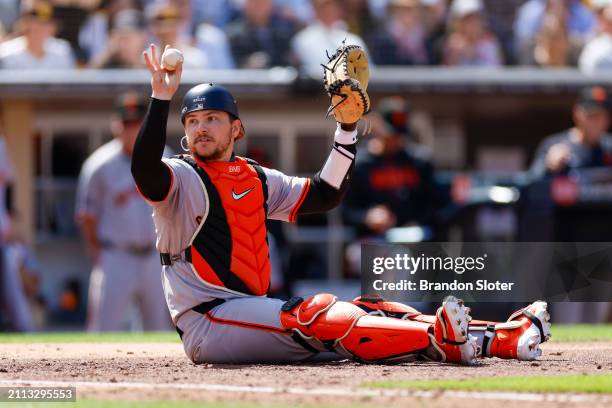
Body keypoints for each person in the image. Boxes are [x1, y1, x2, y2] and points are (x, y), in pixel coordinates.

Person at [129, 43, 551, 365]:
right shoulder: (181, 175)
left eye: (212, 119)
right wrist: (160, 98)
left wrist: (347, 128)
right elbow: (145, 170)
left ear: (235, 128)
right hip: (209, 320)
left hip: (248, 312)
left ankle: (501, 337)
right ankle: (440, 344)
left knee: (369, 308)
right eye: (193, 122)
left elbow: (324, 193)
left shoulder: (254, 175)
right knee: (314, 313)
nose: (201, 128)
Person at [76, 92, 171, 332]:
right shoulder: (100, 164)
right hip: (116, 255)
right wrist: (98, 253)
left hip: (155, 257)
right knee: (103, 329)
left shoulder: (166, 156)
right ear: (116, 125)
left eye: (137, 122)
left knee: (159, 331)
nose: (132, 129)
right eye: (126, 123)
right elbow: (87, 216)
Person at [342, 97, 439, 239]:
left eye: (399, 134)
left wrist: (418, 221)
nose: (395, 139)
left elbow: (433, 205)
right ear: (376, 125)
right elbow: (345, 210)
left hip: (412, 237)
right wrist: (367, 217)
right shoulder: (359, 164)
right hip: (371, 239)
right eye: (390, 133)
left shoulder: (420, 162)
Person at [530, 86, 612, 178]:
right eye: (591, 115)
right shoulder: (555, 145)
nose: (595, 121)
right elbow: (532, 181)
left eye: (601, 115)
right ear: (577, 114)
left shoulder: (609, 147)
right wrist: (548, 166)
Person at [0, 1, 76, 69]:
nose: (40, 29)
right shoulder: (6, 52)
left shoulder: (62, 50)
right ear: (24, 25)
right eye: (35, 24)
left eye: (45, 24)